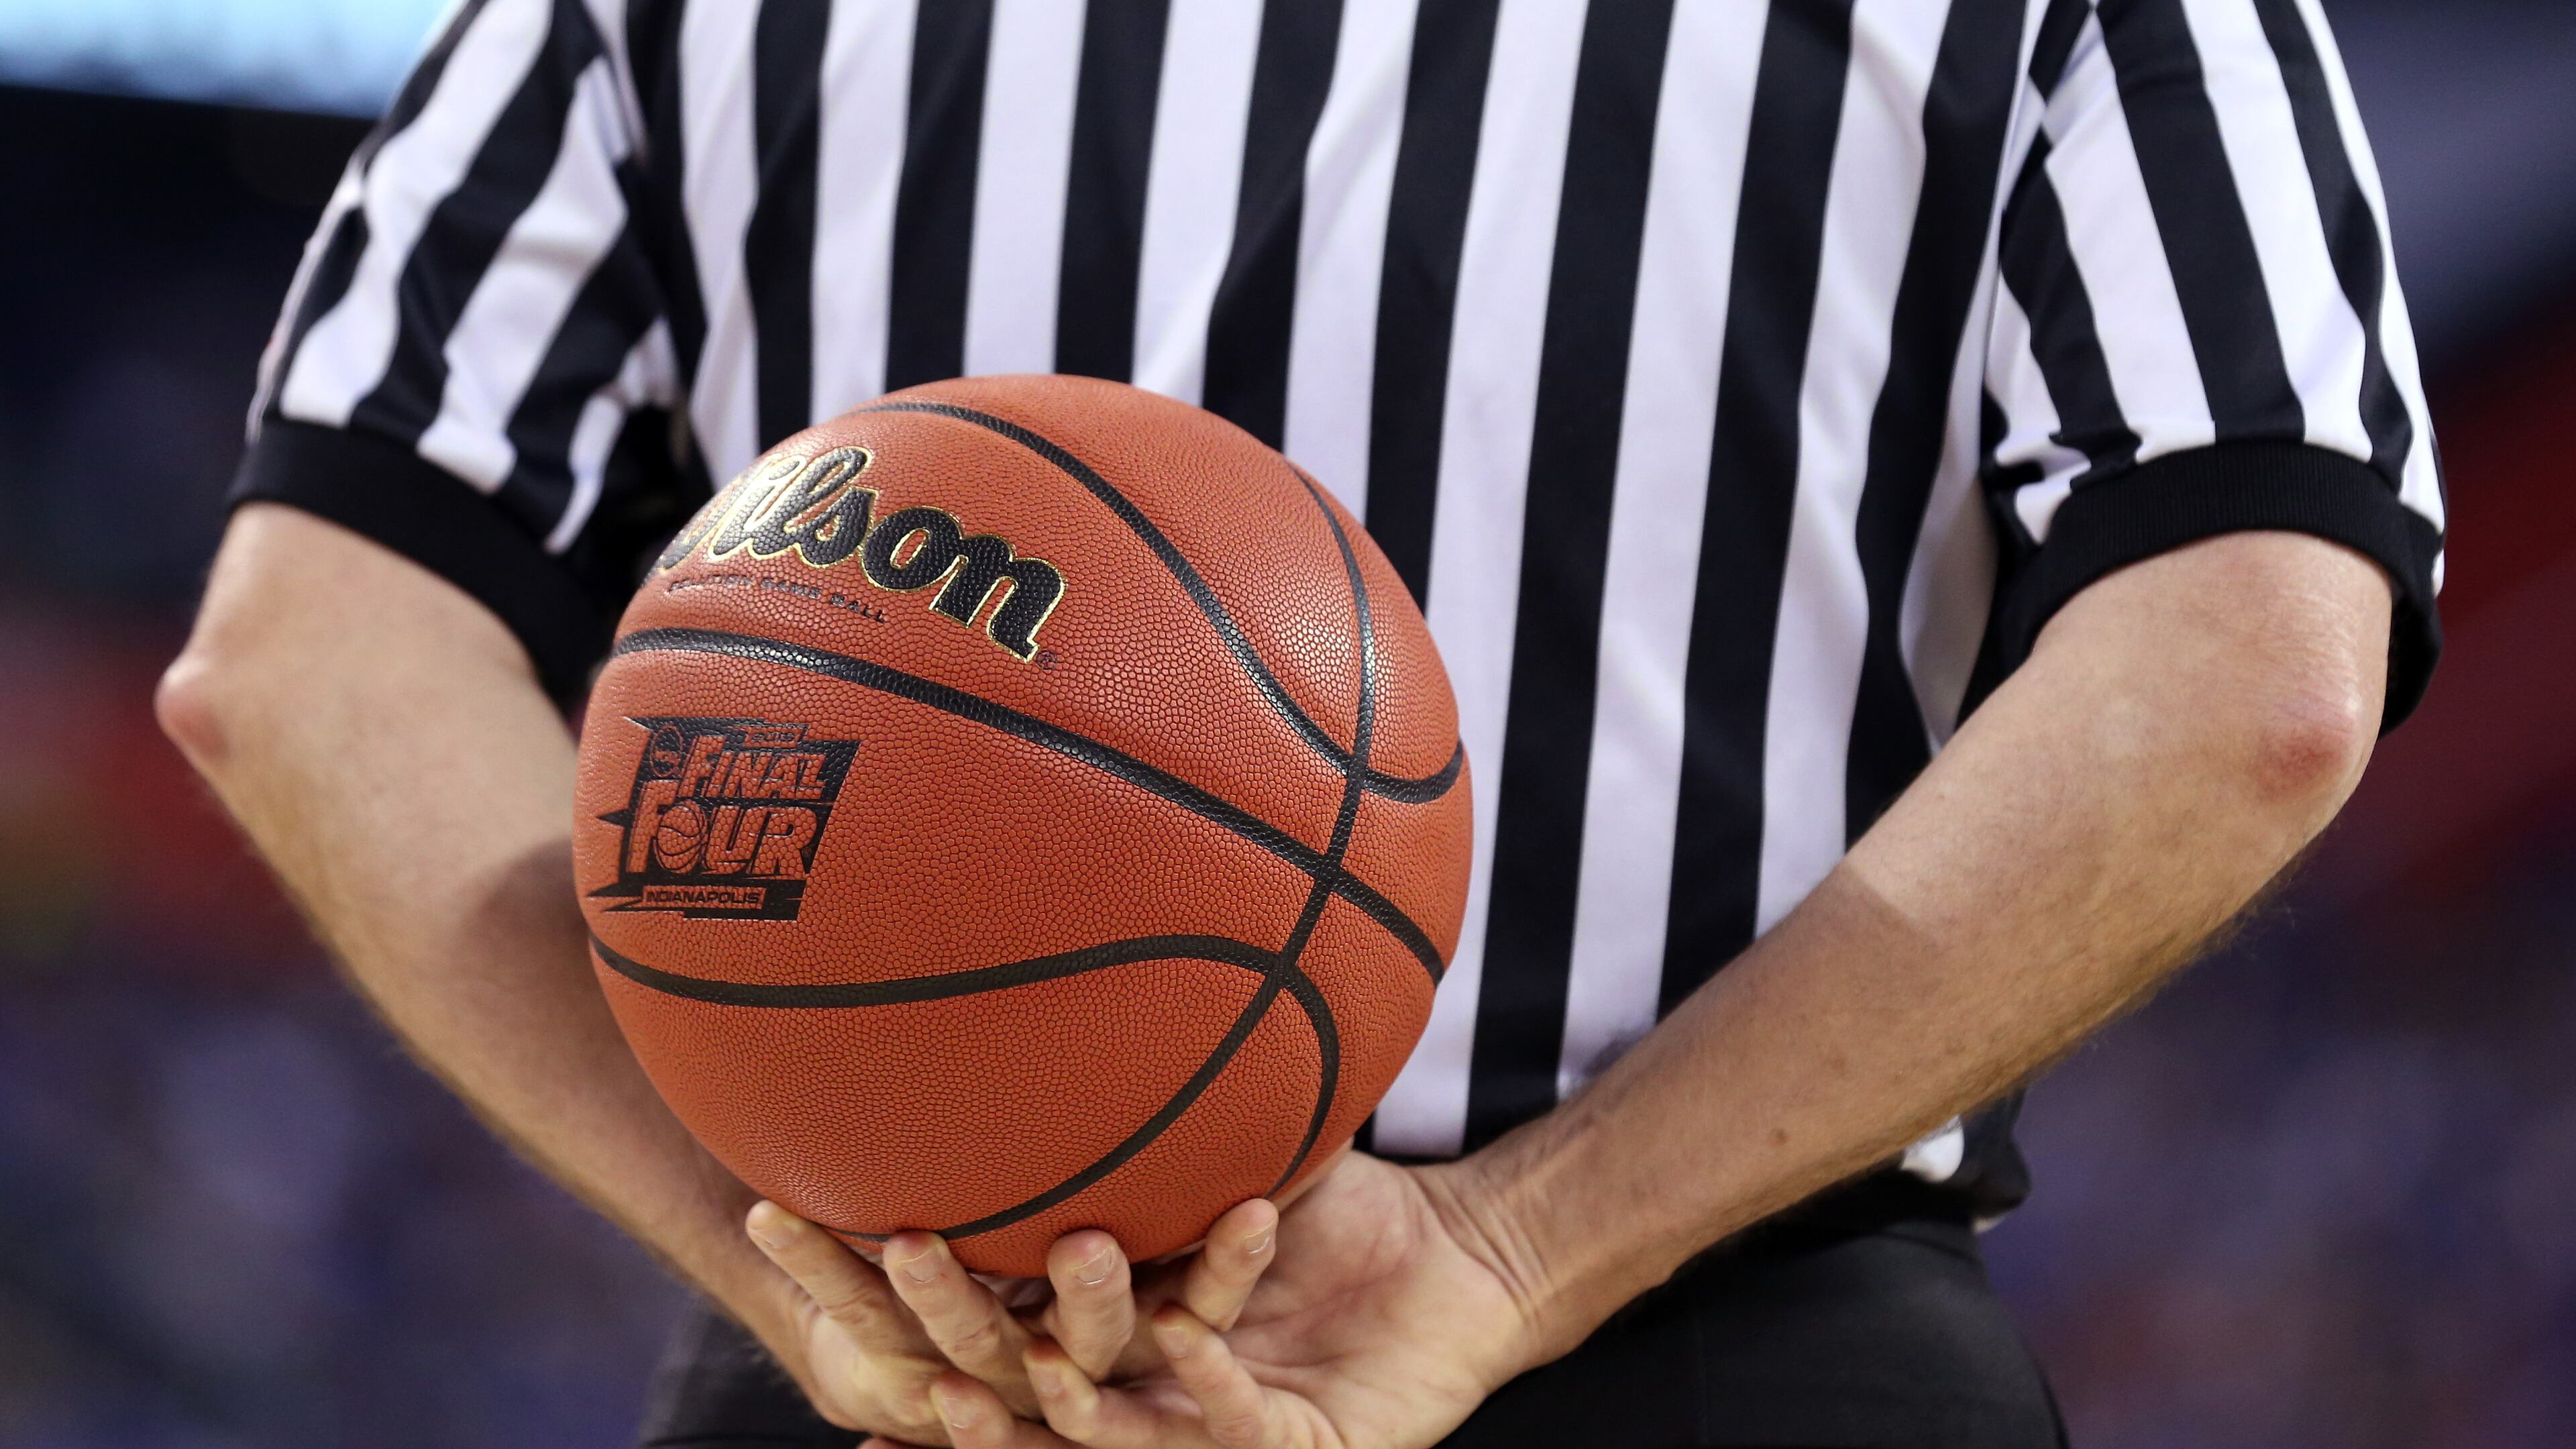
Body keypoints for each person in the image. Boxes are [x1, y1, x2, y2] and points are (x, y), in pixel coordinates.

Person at [158, 0, 2443, 1444]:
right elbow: (2257, 659)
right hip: (1756, 1338)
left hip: (909, 1375)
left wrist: (804, 1266)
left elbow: (301, 649)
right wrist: (1511, 1248)